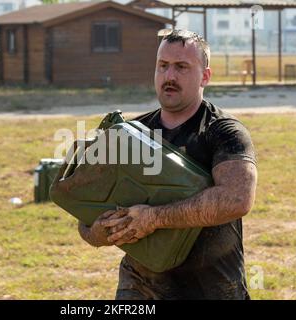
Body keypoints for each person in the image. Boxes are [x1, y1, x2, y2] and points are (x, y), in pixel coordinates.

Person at [77, 29, 258, 300]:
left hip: (211, 290)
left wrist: (154, 219)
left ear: (205, 76)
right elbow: (86, 217)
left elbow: (237, 199)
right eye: (163, 66)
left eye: (182, 67)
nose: (169, 77)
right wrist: (98, 233)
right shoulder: (130, 133)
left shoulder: (223, 132)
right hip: (140, 290)